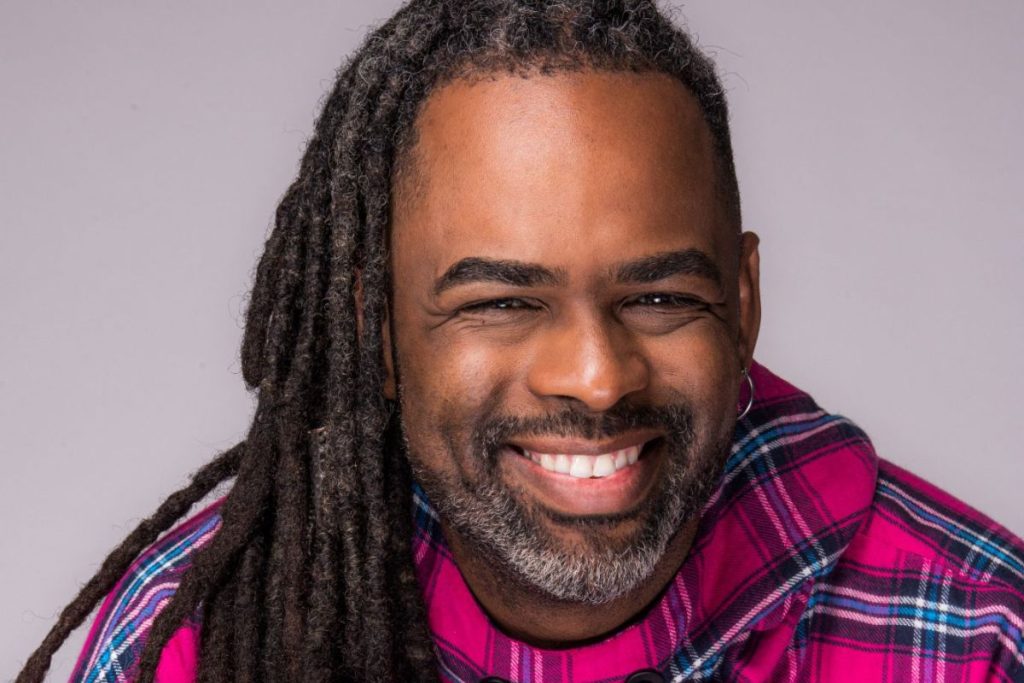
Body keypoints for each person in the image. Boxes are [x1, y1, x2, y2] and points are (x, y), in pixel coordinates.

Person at [16, 1, 1024, 681]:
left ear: (744, 301)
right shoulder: (198, 643)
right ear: (376, 326)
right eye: (502, 302)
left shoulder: (977, 635)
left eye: (658, 294)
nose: (596, 377)